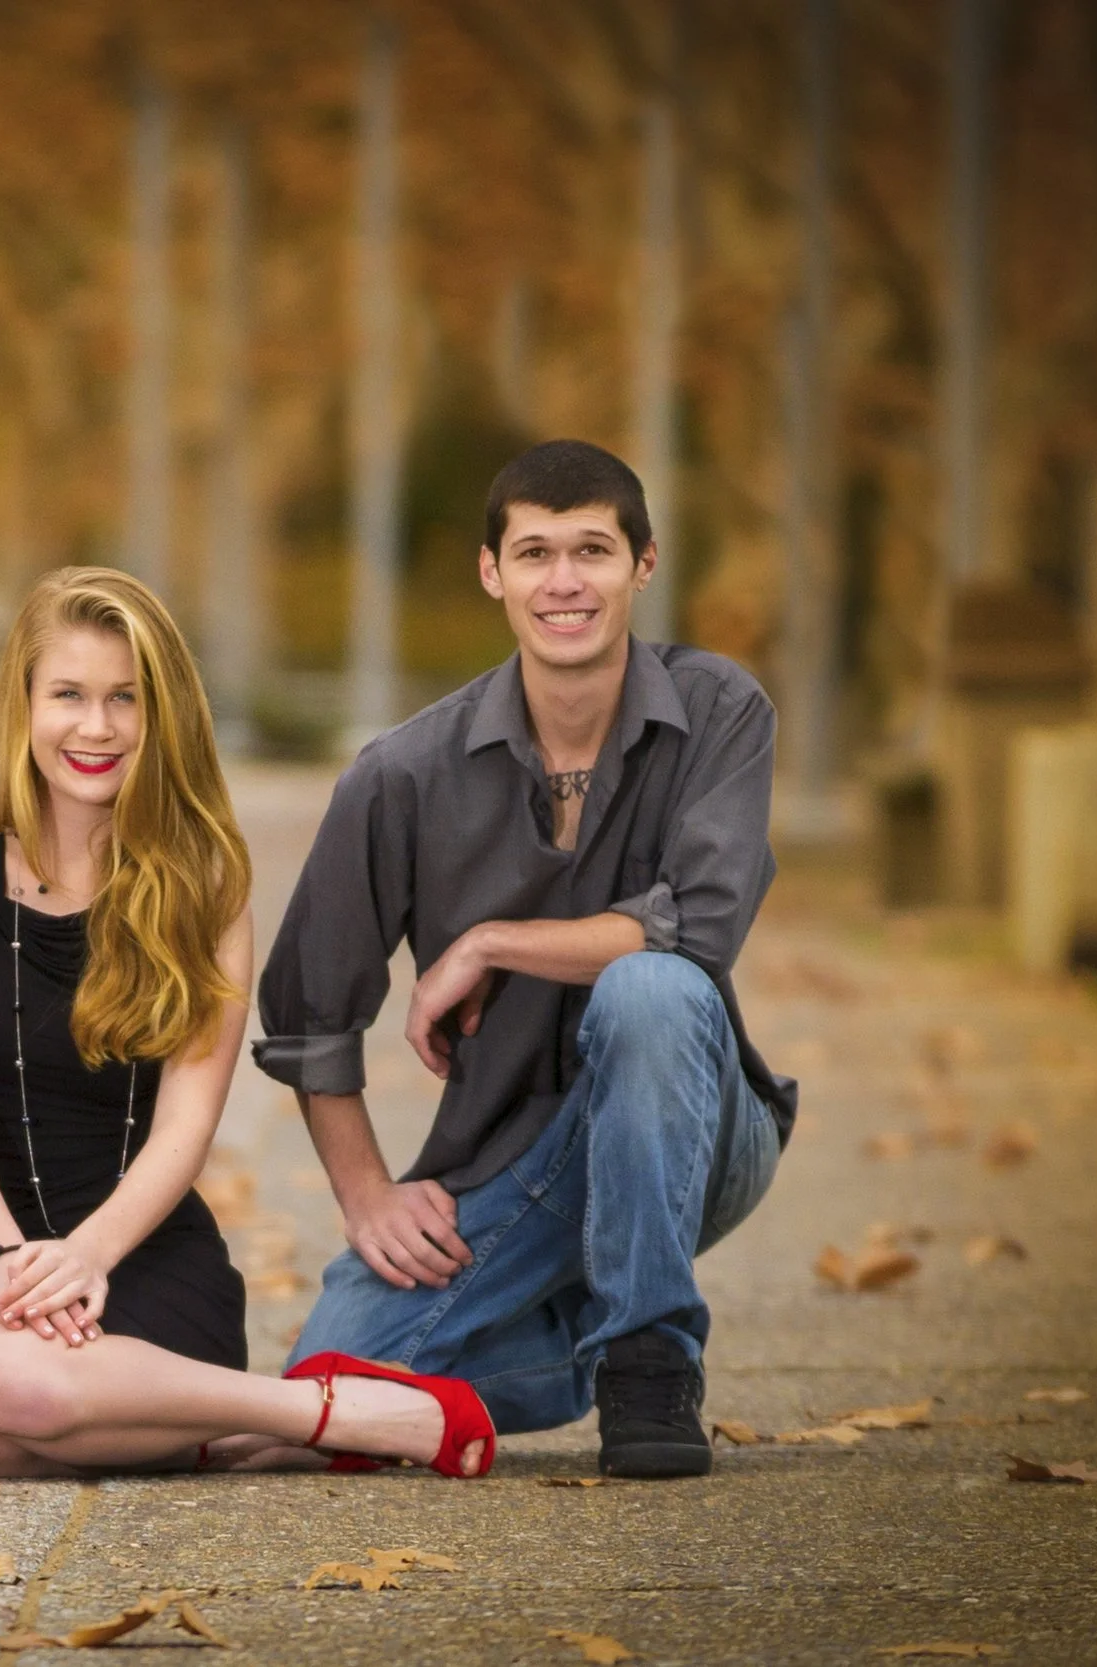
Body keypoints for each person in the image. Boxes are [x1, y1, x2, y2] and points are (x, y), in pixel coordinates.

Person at [0, 567, 494, 1480]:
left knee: (10, 1382)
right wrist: (0, 1255)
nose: (97, 726)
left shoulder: (207, 888)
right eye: (68, 694)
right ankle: (232, 1433)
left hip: (144, 1256)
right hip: (0, 1261)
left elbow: (188, 1126)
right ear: (22, 705)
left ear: (163, 715)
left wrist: (89, 1255)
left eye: (126, 699)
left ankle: (332, 1407)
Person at [253, 439, 796, 1480]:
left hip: (699, 1129)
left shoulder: (721, 711)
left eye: (591, 550)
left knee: (651, 985)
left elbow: (701, 923)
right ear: (490, 571)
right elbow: (309, 1012)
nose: (562, 582)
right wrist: (368, 1192)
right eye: (534, 551)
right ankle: (577, 1345)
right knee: (327, 1383)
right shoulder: (401, 774)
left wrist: (493, 941)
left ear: (643, 564)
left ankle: (649, 1359)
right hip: (509, 1162)